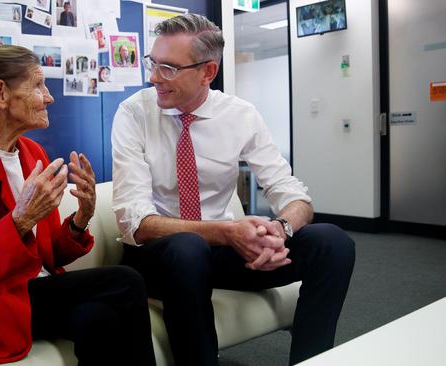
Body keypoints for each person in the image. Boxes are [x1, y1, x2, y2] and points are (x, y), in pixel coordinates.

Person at [111, 13, 355, 366]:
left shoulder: (240, 115)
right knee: (188, 248)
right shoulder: (133, 114)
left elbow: (291, 192)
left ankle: (310, 360)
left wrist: (280, 230)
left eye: (168, 68)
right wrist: (227, 232)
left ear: (207, 72)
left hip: (221, 257)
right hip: (160, 258)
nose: (153, 78)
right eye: (153, 63)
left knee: (332, 242)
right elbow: (135, 223)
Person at [0, 45, 156, 366]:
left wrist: (81, 218)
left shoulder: (32, 153)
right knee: (126, 280)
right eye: (38, 85)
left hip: (35, 294)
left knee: (98, 318)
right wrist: (19, 221)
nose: (49, 97)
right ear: (0, 93)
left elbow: (45, 257)